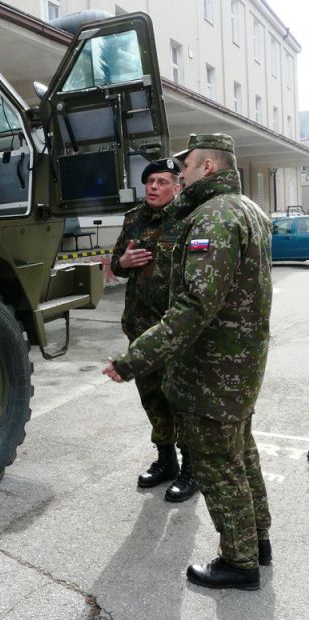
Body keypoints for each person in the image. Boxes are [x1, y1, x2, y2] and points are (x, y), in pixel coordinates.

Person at [103, 133, 272, 590]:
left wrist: (133, 360)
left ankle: (239, 562)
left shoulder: (213, 217)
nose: (183, 173)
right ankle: (257, 541)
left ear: (208, 167)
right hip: (241, 363)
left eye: (189, 165)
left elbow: (194, 306)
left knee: (218, 464)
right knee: (242, 453)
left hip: (215, 367)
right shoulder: (247, 209)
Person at [111, 158, 198, 501]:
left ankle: (191, 468)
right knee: (152, 398)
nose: (153, 187)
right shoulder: (134, 218)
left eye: (162, 182)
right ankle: (166, 460)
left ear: (177, 187)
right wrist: (122, 263)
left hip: (175, 331)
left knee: (181, 400)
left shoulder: (190, 218)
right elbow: (117, 262)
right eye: (150, 181)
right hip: (140, 328)